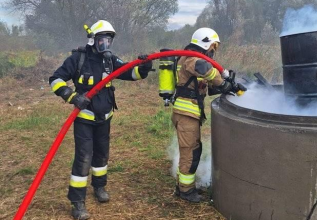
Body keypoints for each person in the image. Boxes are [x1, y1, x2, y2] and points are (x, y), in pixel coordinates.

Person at [49, 20, 153, 220]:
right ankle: (77, 202)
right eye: (101, 41)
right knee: (83, 158)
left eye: (108, 41)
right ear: (92, 40)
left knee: (102, 156)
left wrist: (144, 66)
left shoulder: (110, 60)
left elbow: (131, 73)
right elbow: (55, 79)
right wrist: (71, 96)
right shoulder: (77, 59)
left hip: (105, 117)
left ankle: (99, 187)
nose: (105, 45)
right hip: (84, 118)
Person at [172, 27, 246, 203]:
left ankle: (184, 186)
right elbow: (206, 69)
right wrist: (223, 79)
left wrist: (229, 86)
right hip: (185, 114)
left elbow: (205, 85)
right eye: (212, 47)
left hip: (189, 114)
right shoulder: (191, 59)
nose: (213, 52)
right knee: (190, 152)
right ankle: (185, 190)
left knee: (193, 150)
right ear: (205, 44)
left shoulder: (195, 59)